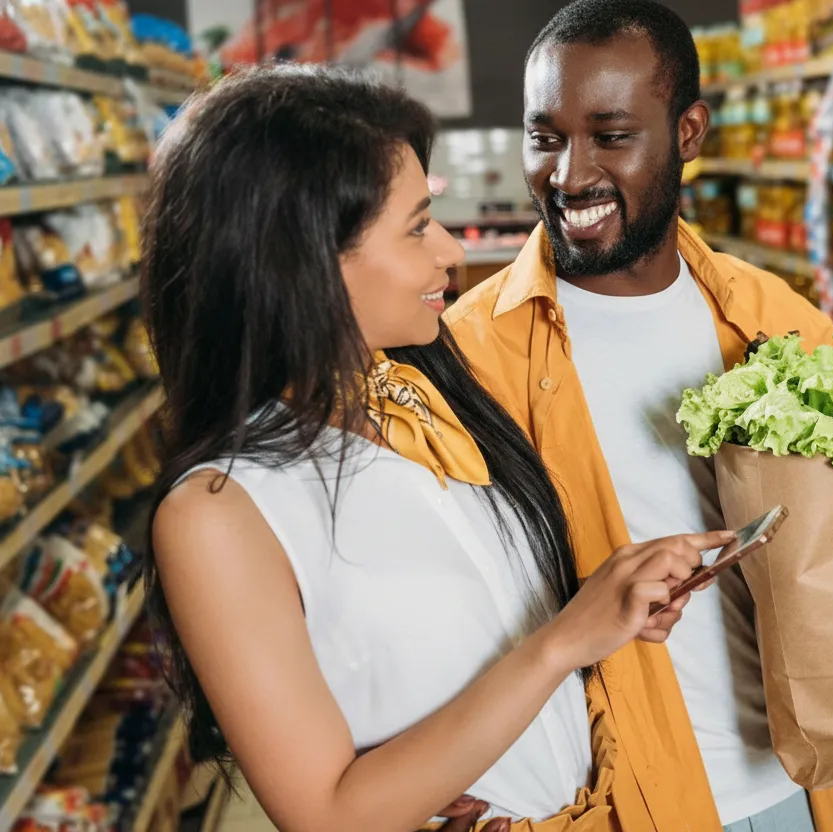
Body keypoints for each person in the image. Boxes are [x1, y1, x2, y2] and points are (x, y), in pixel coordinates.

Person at [444, 1, 833, 830]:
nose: (568, 175)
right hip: (600, 802)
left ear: (689, 132)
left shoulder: (766, 312)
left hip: (792, 786)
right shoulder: (468, 355)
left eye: (609, 135)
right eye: (545, 136)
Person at [142, 63, 734, 832]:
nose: (453, 251)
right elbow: (327, 815)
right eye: (418, 224)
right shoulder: (221, 512)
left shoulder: (427, 393)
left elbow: (478, 627)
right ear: (303, 258)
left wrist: (608, 603)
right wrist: (561, 642)